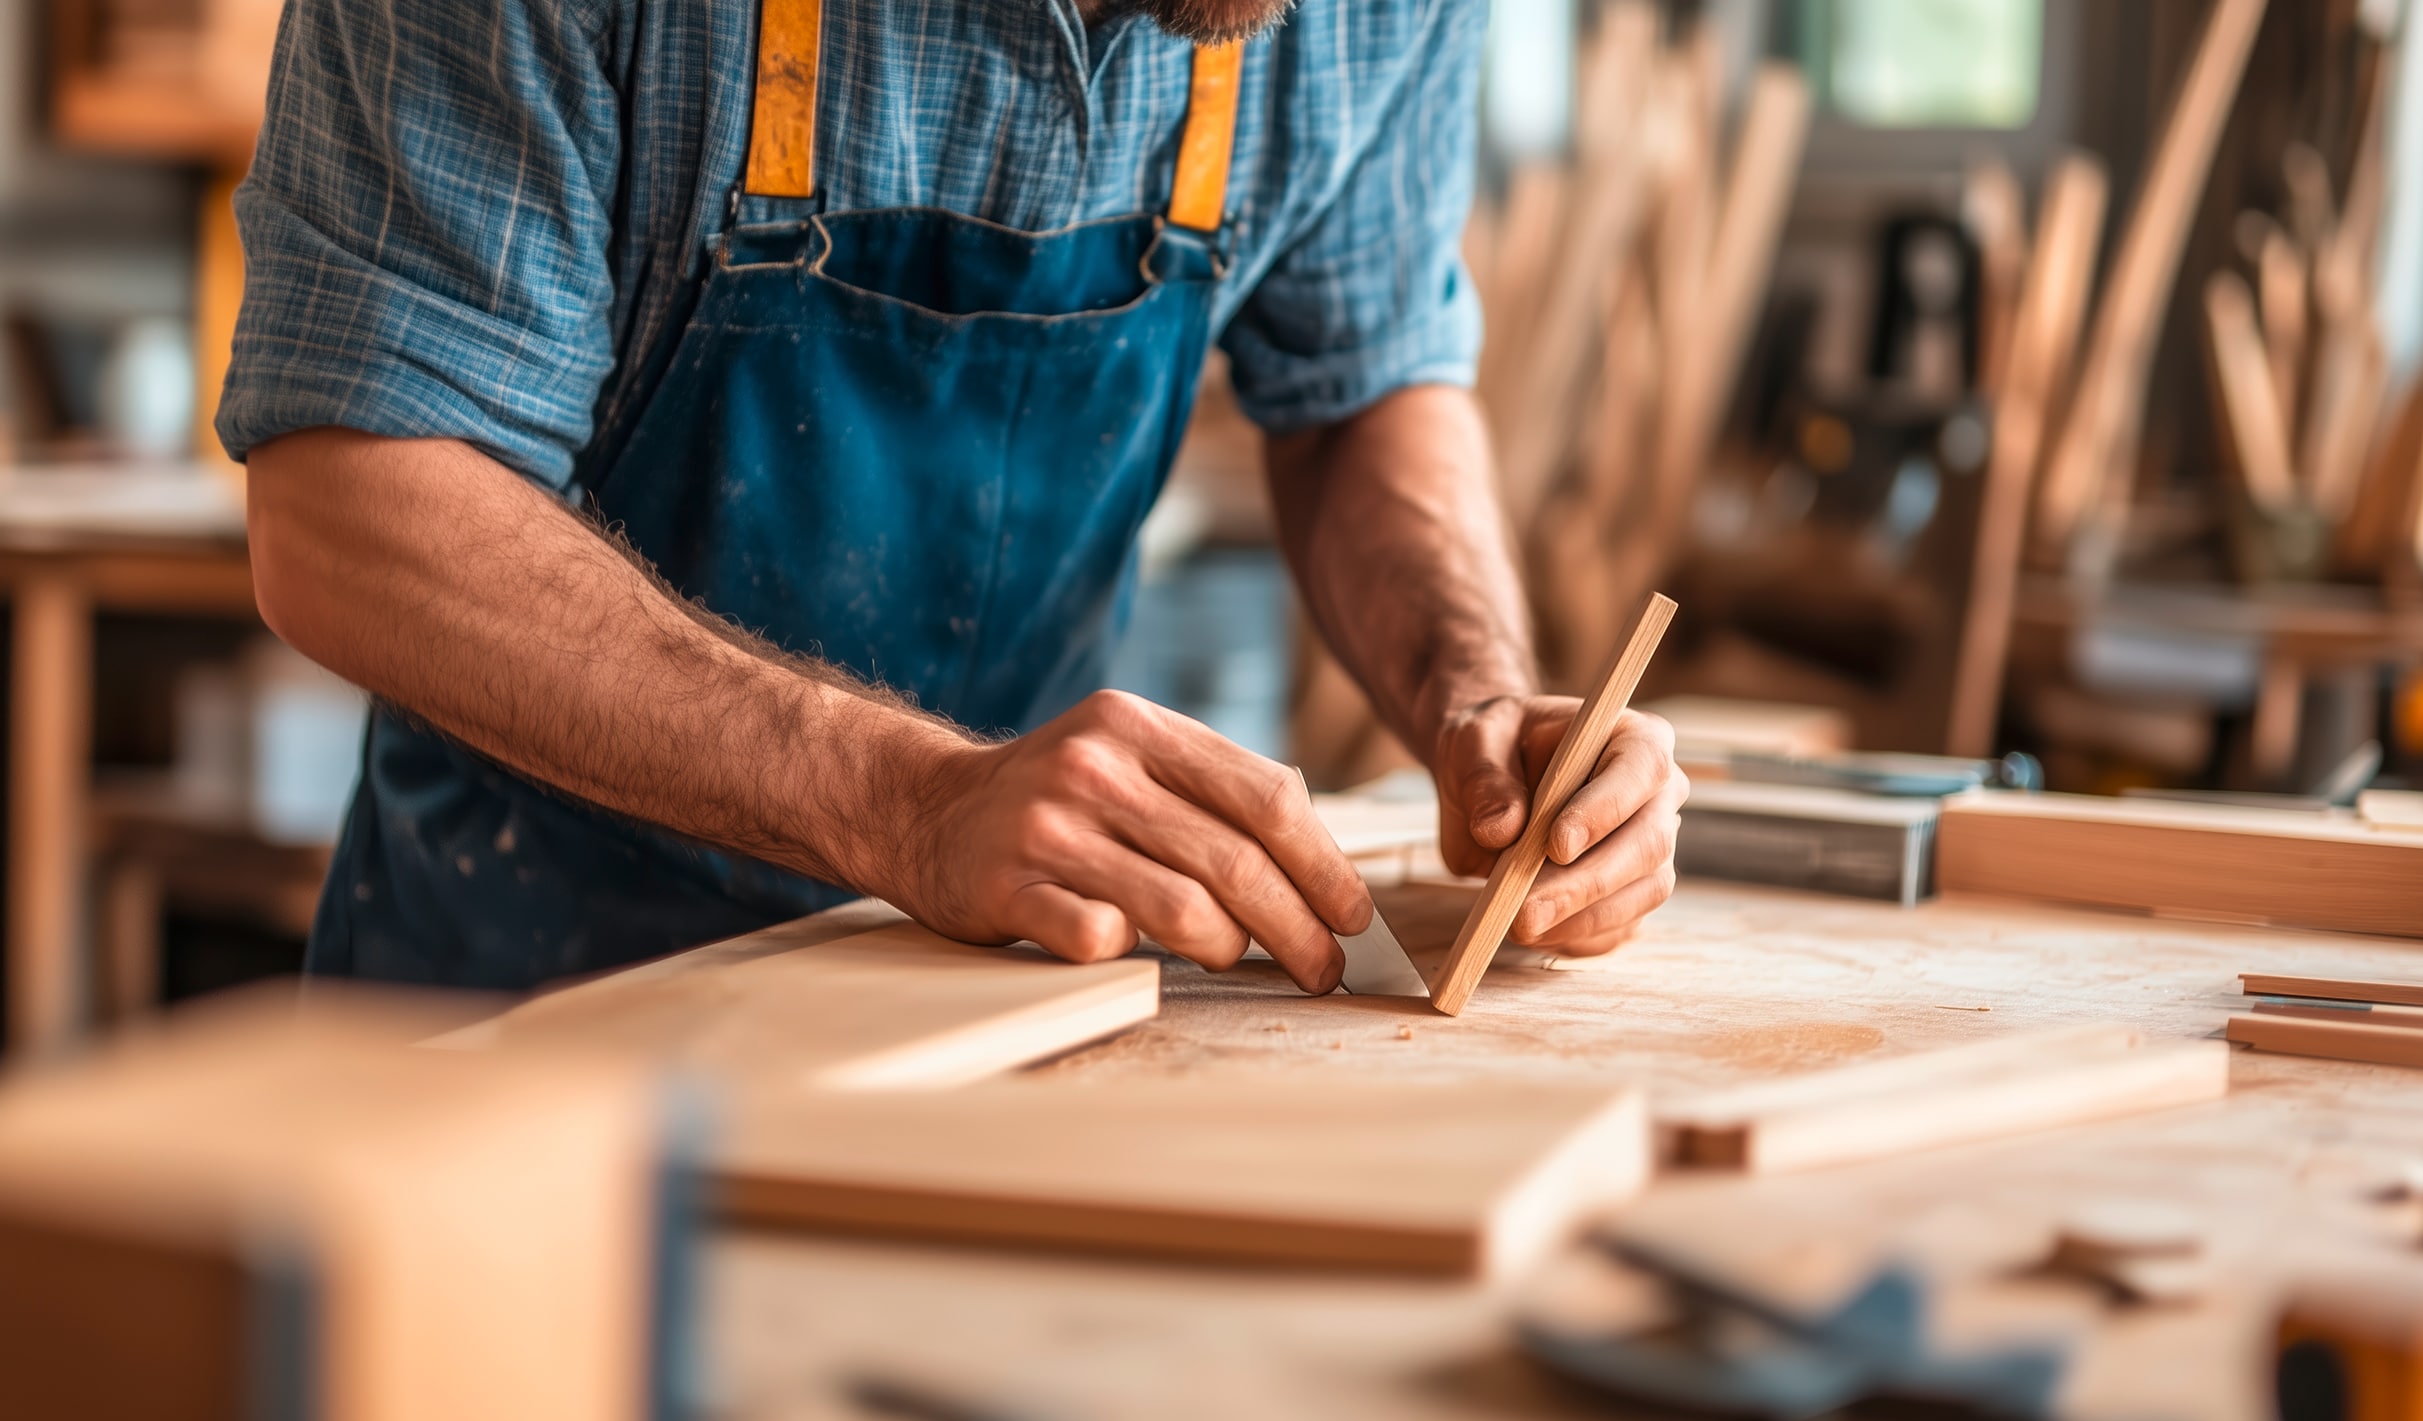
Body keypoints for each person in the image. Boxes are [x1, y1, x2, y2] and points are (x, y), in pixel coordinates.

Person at [219, 0, 1688, 994]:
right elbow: (349, 507)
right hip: (531, 1007)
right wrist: (908, 805)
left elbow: (1359, 384)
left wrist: (1478, 699)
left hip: (1002, 1002)